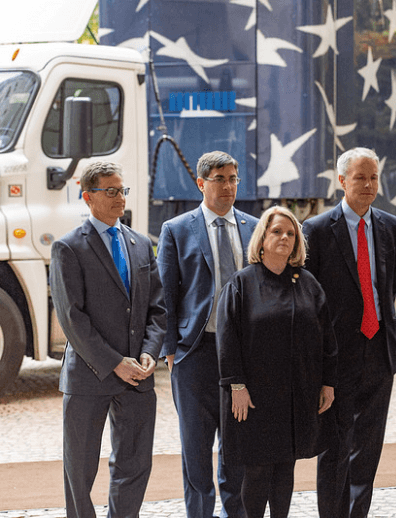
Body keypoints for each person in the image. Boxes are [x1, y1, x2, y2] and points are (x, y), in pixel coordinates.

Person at [49, 161, 166, 518]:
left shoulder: (141, 244)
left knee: (134, 465)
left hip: (138, 378)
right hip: (90, 376)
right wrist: (115, 362)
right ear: (88, 197)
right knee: (79, 471)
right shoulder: (68, 248)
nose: (120, 198)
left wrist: (149, 353)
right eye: (110, 191)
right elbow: (72, 318)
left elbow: (157, 309)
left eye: (122, 190)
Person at [216, 206, 337, 518]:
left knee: (286, 467)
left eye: (290, 233)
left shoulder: (309, 283)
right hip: (255, 397)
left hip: (297, 395)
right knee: (257, 471)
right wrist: (236, 386)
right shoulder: (242, 283)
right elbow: (227, 339)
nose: (284, 237)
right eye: (277, 232)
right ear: (261, 239)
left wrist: (328, 383)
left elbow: (327, 339)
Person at [302, 147, 396, 518]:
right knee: (335, 447)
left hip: (379, 353)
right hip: (337, 358)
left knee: (368, 449)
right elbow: (312, 300)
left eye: (373, 177)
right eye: (360, 177)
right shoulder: (315, 230)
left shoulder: (390, 227)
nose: (368, 184)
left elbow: (386, 285)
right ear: (342, 181)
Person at [157, 151, 258, 518]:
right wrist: (171, 351)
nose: (228, 186)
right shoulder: (177, 229)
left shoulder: (253, 227)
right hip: (195, 354)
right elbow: (165, 294)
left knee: (237, 451)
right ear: (201, 183)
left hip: (242, 357)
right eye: (220, 179)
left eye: (233, 178)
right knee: (196, 452)